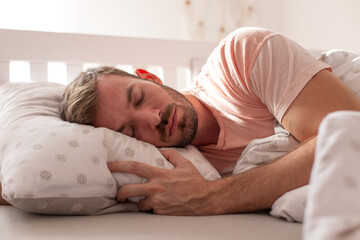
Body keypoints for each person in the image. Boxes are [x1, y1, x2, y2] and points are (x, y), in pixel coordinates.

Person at [60, 27, 360, 215]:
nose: (154, 119)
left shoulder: (242, 56)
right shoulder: (175, 171)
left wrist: (213, 197)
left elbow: (351, 137)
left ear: (149, 77)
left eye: (139, 97)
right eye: (131, 130)